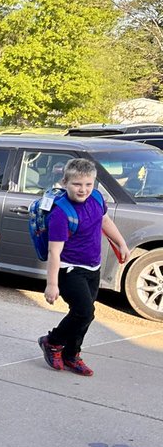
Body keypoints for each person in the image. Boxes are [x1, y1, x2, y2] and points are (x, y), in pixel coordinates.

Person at [39, 158, 130, 377]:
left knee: (86, 315)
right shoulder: (61, 213)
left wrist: (121, 242)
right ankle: (52, 342)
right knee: (84, 311)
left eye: (88, 184)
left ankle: (72, 355)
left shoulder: (97, 198)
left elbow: (105, 221)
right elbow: (54, 252)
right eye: (77, 184)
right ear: (65, 182)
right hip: (69, 269)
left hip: (92, 268)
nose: (83, 189)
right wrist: (51, 284)